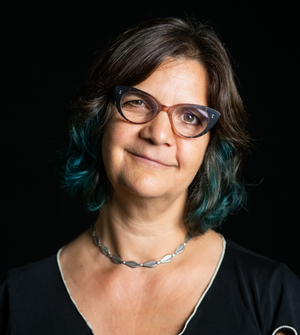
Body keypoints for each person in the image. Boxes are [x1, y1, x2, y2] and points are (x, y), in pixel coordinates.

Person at [0, 17, 299, 335]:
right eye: (139, 102)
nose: (158, 134)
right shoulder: (16, 299)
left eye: (189, 117)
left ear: (211, 145)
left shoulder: (271, 296)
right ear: (100, 116)